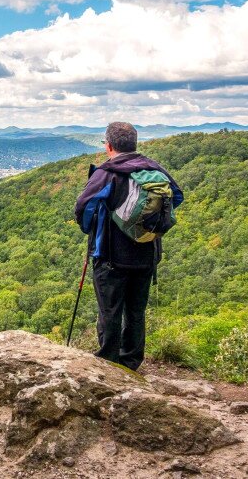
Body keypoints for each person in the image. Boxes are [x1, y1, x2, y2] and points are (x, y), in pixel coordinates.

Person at [74, 122, 183, 370]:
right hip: (147, 255)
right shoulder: (156, 170)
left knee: (110, 311)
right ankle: (131, 362)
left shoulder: (107, 173)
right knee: (136, 312)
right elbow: (176, 197)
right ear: (134, 143)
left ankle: (108, 364)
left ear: (109, 145)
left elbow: (82, 208)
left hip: (111, 257)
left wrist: (92, 227)